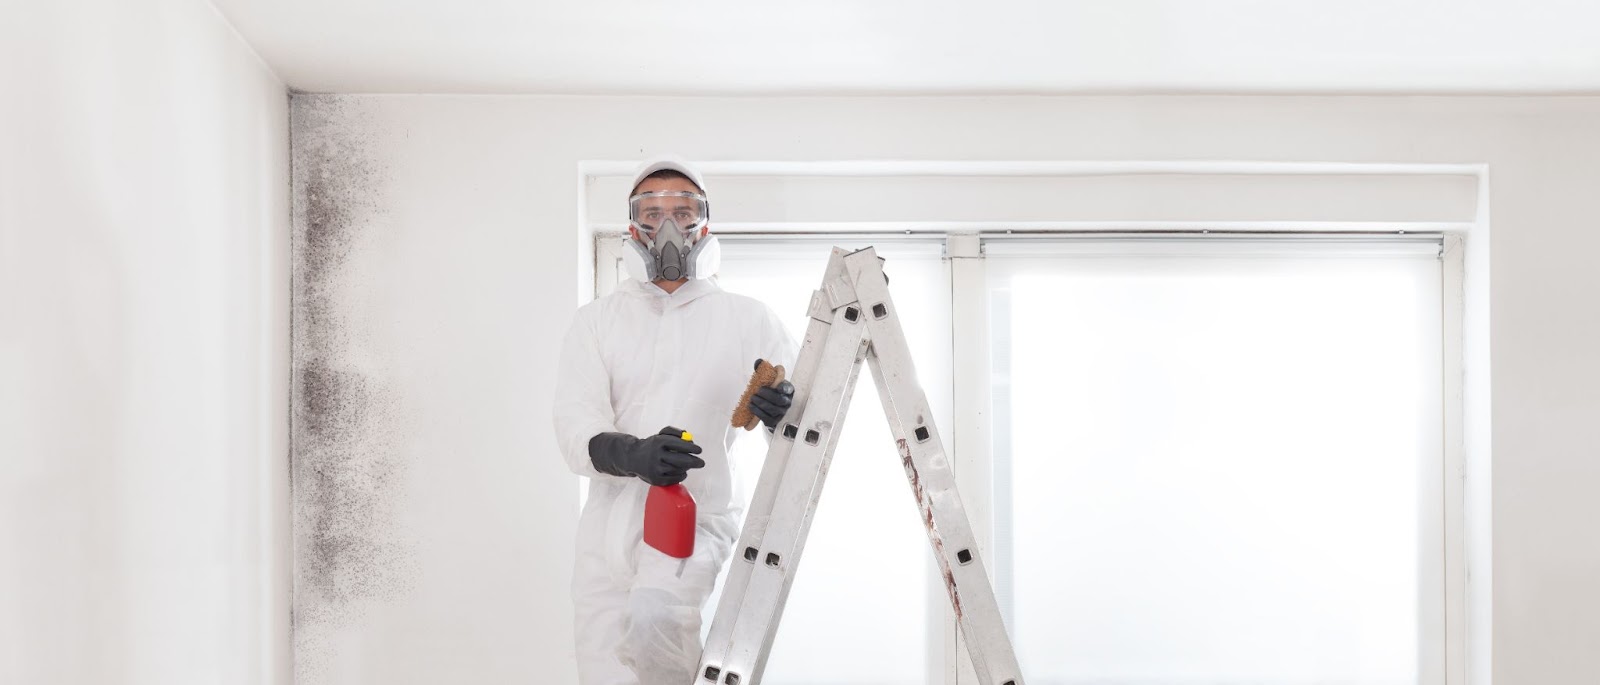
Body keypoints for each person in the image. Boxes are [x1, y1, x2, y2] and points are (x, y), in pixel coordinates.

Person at [553, 156, 798, 684]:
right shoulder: (597, 323)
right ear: (632, 227)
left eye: (684, 213)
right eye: (652, 212)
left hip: (694, 516)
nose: (668, 227)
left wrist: (783, 411)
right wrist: (632, 454)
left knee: (655, 620)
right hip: (605, 534)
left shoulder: (747, 319)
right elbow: (575, 428)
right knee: (603, 671)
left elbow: (804, 418)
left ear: (704, 226)